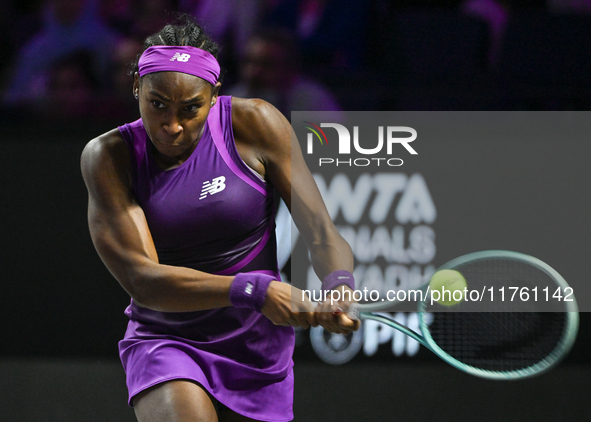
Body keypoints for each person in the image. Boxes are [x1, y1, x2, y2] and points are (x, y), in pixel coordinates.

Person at [80, 15, 358, 422]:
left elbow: (321, 233)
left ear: (213, 96)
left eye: (190, 108)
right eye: (157, 104)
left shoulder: (255, 123)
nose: (172, 125)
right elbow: (143, 280)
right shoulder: (108, 157)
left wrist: (338, 284)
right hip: (168, 339)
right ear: (137, 87)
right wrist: (255, 290)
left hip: (258, 346)